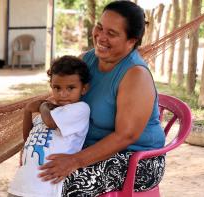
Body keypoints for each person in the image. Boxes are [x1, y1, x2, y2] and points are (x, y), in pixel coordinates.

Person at [38, 1, 166, 196]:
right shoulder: (86, 60)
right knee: (37, 171)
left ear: (131, 41)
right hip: (89, 147)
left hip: (136, 158)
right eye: (100, 27)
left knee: (67, 184)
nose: (101, 36)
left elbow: (126, 136)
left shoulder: (135, 75)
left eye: (111, 33)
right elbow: (64, 104)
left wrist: (75, 161)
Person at [8, 55, 91, 197]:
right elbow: (28, 138)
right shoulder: (50, 112)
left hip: (46, 187)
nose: (62, 94)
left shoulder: (80, 109)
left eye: (70, 88)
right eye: (57, 88)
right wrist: (27, 111)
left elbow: (51, 123)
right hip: (21, 183)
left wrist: (43, 105)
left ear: (84, 89)